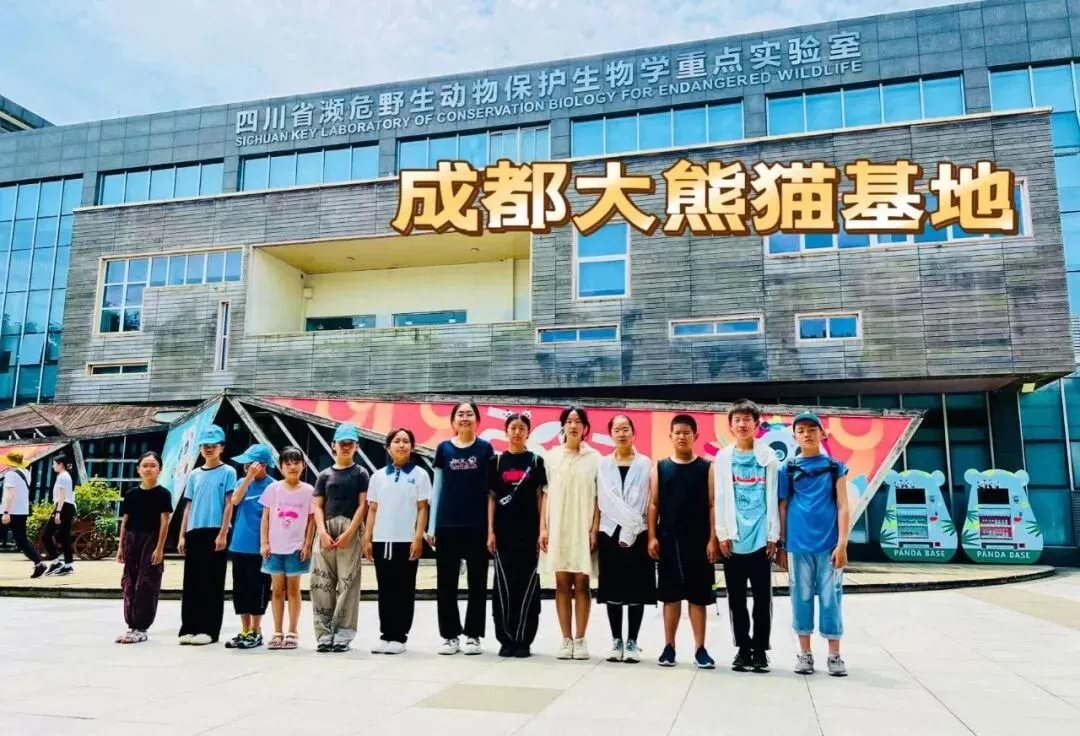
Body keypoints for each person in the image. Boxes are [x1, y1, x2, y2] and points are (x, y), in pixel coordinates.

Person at [778, 411, 850, 677]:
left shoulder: (835, 467)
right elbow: (782, 507)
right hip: (797, 546)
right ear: (794, 436)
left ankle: (834, 655)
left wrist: (842, 544)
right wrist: (782, 544)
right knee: (801, 597)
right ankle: (805, 653)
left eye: (812, 429)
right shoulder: (788, 468)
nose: (807, 434)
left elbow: (843, 506)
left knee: (832, 598)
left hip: (829, 545)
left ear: (822, 434)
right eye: (801, 430)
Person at [714, 399, 782, 673]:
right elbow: (720, 497)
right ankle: (743, 649)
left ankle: (760, 651)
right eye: (737, 420)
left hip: (761, 540)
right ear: (730, 425)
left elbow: (773, 498)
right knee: (736, 599)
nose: (742, 424)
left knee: (762, 600)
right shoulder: (723, 458)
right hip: (734, 538)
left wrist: (773, 536)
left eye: (747, 419)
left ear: (756, 424)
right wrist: (722, 534)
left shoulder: (769, 458)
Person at [648, 414, 720, 669]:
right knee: (671, 596)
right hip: (669, 539)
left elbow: (712, 504)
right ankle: (669, 647)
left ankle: (700, 649)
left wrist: (713, 538)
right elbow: (654, 504)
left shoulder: (707, 467)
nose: (681, 437)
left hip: (699, 540)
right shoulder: (660, 467)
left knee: (698, 597)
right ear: (670, 436)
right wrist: (652, 536)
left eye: (686, 433)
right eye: (677, 433)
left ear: (695, 436)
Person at [426, 401, 495, 656]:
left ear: (477, 419)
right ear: (453, 420)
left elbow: (491, 492)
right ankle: (449, 635)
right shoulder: (443, 448)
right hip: (448, 525)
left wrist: (491, 529)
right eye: (460, 414)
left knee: (478, 583)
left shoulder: (485, 448)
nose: (465, 418)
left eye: (469, 414)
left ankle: (473, 635)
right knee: (446, 583)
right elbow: (437, 488)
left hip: (477, 525)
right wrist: (432, 527)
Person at [363, 428, 431, 654]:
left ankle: (400, 637)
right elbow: (372, 509)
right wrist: (367, 538)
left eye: (406, 441)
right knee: (385, 588)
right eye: (397, 441)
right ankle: (386, 634)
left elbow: (422, 508)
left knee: (404, 588)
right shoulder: (378, 476)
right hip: (382, 540)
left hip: (406, 541)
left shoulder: (420, 475)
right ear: (388, 447)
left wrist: (418, 537)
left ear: (412, 447)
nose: (401, 445)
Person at [542, 406, 600, 661]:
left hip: (582, 527)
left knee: (582, 583)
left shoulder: (595, 458)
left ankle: (581, 638)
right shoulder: (551, 457)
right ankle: (566, 639)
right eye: (569, 421)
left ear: (585, 427)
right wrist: (543, 528)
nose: (573, 425)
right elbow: (545, 495)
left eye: (578, 421)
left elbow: (599, 498)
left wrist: (594, 529)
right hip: (558, 526)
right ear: (563, 426)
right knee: (562, 583)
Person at [596, 414, 655, 664]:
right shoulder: (603, 464)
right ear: (610, 434)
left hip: (638, 531)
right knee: (613, 587)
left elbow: (648, 500)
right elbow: (602, 501)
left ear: (633, 432)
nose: (621, 434)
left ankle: (632, 641)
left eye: (626, 429)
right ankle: (616, 640)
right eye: (617, 430)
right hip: (609, 532)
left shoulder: (644, 463)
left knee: (636, 588)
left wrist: (645, 533)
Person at [487, 412, 546, 658]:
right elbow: (491, 498)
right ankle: (506, 639)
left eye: (522, 428)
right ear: (506, 431)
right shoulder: (496, 461)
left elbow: (541, 497)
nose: (517, 432)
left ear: (528, 432)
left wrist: (542, 530)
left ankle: (524, 640)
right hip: (503, 534)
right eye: (513, 427)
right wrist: (490, 531)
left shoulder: (536, 461)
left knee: (528, 586)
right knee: (503, 586)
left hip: (529, 534)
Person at [312, 422, 370, 653]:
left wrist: (349, 533)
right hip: (326, 530)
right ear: (333, 445)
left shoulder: (361, 473)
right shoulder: (324, 475)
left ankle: (343, 634)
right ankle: (324, 634)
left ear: (356, 446)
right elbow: (317, 506)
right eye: (341, 443)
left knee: (348, 583)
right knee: (321, 583)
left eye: (350, 443)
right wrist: (322, 532)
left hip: (350, 529)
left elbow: (362, 505)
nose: (345, 447)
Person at [177, 424, 237, 646]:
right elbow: (188, 507)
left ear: (222, 447)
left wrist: (223, 533)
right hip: (194, 531)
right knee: (192, 582)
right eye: (204, 446)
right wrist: (182, 535)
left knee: (212, 582)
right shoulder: (194, 474)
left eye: (213, 445)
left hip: (215, 531)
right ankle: (189, 628)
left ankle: (209, 630)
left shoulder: (228, 472)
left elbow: (229, 504)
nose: (208, 449)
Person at [260, 446, 316, 651]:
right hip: (274, 548)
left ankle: (292, 631)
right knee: (276, 590)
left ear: (303, 465)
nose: (292, 467)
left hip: (296, 548)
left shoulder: (309, 491)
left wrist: (307, 544)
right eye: (287, 463)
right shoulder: (273, 489)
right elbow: (265, 517)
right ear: (281, 467)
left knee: (293, 589)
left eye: (296, 462)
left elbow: (312, 521)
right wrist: (264, 542)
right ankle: (277, 631)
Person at [116, 451, 173, 643]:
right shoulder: (131, 494)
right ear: (138, 469)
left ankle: (142, 627)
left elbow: (164, 522)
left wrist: (160, 548)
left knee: (147, 582)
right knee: (129, 582)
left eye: (153, 465)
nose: (149, 469)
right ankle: (131, 625)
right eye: (145, 465)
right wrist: (121, 547)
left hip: (152, 540)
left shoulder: (163, 494)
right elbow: (125, 521)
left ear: (160, 469)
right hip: (132, 539)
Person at [224, 444, 275, 650]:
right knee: (240, 589)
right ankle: (244, 630)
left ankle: (256, 630)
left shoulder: (273, 486)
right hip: (239, 544)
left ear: (263, 465)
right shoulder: (242, 482)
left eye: (250, 463)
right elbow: (235, 500)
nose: (247, 466)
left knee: (258, 588)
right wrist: (248, 478)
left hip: (260, 547)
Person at [1, 450, 46, 578]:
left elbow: (11, 494)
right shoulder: (26, 473)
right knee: (22, 540)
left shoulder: (11, 474)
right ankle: (39, 563)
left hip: (10, 512)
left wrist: (6, 512)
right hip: (22, 511)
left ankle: (39, 564)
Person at [43, 454, 76, 576]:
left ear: (61, 464)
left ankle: (56, 562)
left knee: (46, 535)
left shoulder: (62, 476)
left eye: (54, 464)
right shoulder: (65, 476)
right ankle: (67, 565)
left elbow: (62, 496)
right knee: (64, 537)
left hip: (63, 507)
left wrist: (57, 512)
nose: (53, 466)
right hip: (67, 507)